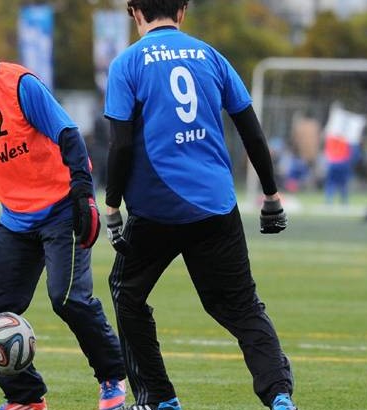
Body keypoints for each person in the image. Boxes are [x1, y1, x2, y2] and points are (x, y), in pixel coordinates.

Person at [102, 2, 295, 410]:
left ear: (135, 12)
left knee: (127, 293)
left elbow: (119, 144)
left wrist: (112, 205)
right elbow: (251, 132)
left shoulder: (127, 64)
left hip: (156, 209)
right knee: (241, 305)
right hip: (215, 204)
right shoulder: (212, 56)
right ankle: (279, 395)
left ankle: (159, 399)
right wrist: (271, 195)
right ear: (183, 11)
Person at [0, 29, 127, 410]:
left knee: (67, 298)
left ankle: (112, 377)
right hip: (17, 219)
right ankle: (26, 398)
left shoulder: (19, 84)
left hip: (62, 208)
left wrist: (84, 195)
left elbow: (69, 134)